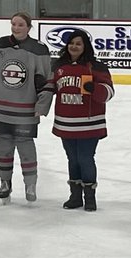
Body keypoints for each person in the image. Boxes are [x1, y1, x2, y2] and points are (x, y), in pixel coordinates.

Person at [0, 11, 53, 204]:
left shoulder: (39, 49)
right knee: (4, 144)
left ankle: (30, 184)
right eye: (14, 24)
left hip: (26, 109)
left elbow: (47, 80)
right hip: (1, 108)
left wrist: (42, 105)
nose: (16, 28)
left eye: (21, 25)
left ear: (29, 27)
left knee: (25, 144)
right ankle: (5, 183)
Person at [49, 28, 114, 212]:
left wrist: (95, 88)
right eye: (71, 43)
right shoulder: (58, 66)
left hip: (90, 123)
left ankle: (90, 197)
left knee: (85, 158)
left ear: (85, 46)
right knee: (72, 159)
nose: (74, 46)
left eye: (78, 43)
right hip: (65, 122)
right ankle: (75, 196)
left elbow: (109, 93)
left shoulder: (97, 67)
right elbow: (50, 87)